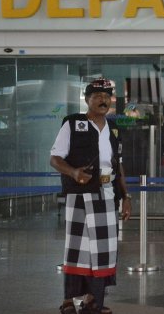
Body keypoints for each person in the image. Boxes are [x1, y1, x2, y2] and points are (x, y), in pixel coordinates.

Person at [50, 78, 132, 314]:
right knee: (78, 248)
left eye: (107, 96)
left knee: (104, 251)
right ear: (87, 99)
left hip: (107, 195)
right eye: (97, 96)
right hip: (80, 195)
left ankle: (93, 299)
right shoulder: (73, 124)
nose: (103, 100)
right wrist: (74, 172)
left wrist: (126, 197)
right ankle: (69, 300)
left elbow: (119, 166)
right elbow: (55, 158)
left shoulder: (114, 128)